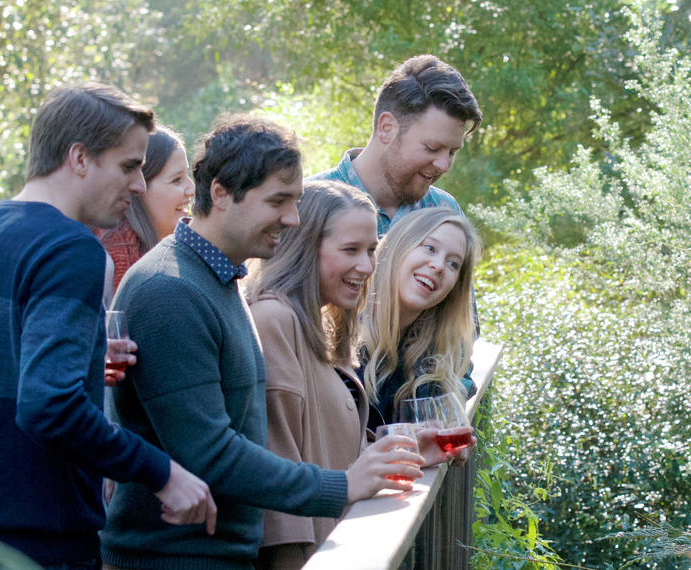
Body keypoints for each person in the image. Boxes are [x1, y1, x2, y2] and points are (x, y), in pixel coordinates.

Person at [102, 115, 439, 568]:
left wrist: (395, 450)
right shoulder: (170, 291)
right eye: (278, 201)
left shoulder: (217, 280)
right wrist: (341, 486)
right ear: (220, 192)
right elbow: (210, 453)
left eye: (296, 201)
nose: (292, 218)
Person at [0, 83, 214, 569]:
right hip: (41, 546)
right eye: (128, 165)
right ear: (79, 157)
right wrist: (162, 473)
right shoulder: (70, 250)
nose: (138, 185)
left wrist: (81, 366)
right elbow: (49, 406)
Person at [246, 180, 379, 568]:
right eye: (350, 250)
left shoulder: (318, 321)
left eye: (371, 250)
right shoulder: (274, 320)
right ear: (304, 248)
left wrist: (406, 450)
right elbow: (277, 472)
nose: (367, 266)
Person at [308, 55, 483, 235]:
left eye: (452, 152)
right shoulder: (307, 206)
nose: (444, 165)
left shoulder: (445, 211)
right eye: (432, 148)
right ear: (387, 128)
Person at [359, 207, 481, 431]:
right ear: (399, 246)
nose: (438, 266)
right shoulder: (341, 338)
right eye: (429, 248)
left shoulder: (434, 359)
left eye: (453, 263)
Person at [98, 126, 194, 289]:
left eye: (188, 175)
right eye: (177, 179)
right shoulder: (116, 257)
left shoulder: (189, 245)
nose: (192, 189)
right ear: (138, 187)